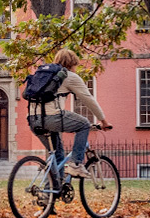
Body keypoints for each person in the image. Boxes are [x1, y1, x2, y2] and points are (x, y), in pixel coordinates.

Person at [30, 49, 111, 178]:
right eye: (75, 65)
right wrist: (103, 120)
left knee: (57, 155)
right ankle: (75, 164)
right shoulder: (69, 76)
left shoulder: (43, 76)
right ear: (72, 63)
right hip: (52, 118)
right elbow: (88, 99)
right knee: (84, 124)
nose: (75, 68)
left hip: (33, 120)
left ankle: (49, 193)